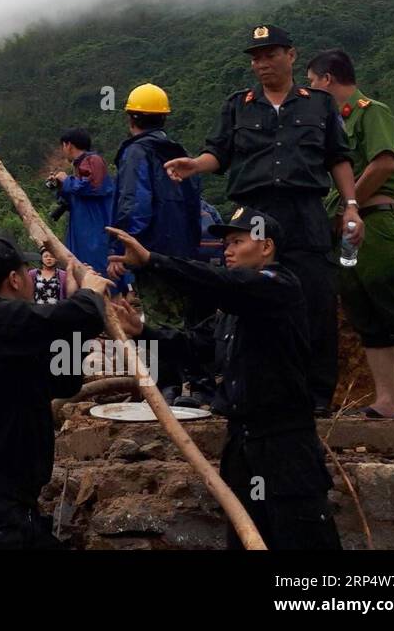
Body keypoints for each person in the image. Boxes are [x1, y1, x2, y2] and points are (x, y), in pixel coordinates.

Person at [108, 210, 341, 550]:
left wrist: (150, 260)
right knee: (248, 537)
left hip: (285, 448)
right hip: (241, 446)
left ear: (266, 247)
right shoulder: (233, 311)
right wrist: (143, 331)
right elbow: (192, 346)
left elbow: (220, 283)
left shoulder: (280, 286)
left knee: (301, 540)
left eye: (237, 242)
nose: (226, 251)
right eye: (225, 243)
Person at [165, 24, 360, 414]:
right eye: (256, 57)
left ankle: (316, 396)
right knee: (244, 296)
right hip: (254, 213)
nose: (262, 63)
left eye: (270, 54)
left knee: (315, 299)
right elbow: (218, 154)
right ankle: (241, 389)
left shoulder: (318, 104)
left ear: (291, 55)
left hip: (304, 210)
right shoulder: (238, 105)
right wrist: (196, 165)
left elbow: (338, 157)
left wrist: (351, 206)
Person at [0, 232, 110, 549]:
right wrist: (89, 295)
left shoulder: (11, 335)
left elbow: (65, 380)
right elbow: (77, 315)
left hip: (14, 504)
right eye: (25, 271)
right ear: (15, 279)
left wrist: (78, 301)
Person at [307, 49, 394, 419]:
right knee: (363, 310)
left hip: (376, 221)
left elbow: (384, 162)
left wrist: (349, 202)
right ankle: (387, 399)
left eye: (313, 81)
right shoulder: (333, 125)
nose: (312, 88)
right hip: (346, 229)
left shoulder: (370, 111)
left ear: (328, 79)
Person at [108, 84, 202, 332]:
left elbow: (133, 205)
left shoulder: (136, 152)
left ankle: (166, 372)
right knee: (182, 326)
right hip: (184, 256)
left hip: (151, 255)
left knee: (161, 328)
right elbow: (195, 206)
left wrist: (122, 250)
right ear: (164, 118)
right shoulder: (181, 154)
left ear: (131, 118)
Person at [48, 128, 115, 275]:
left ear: (69, 145)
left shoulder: (94, 160)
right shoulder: (80, 165)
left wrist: (67, 180)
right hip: (82, 231)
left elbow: (92, 186)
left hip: (94, 231)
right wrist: (60, 186)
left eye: (63, 146)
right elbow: (74, 197)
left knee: (97, 275)